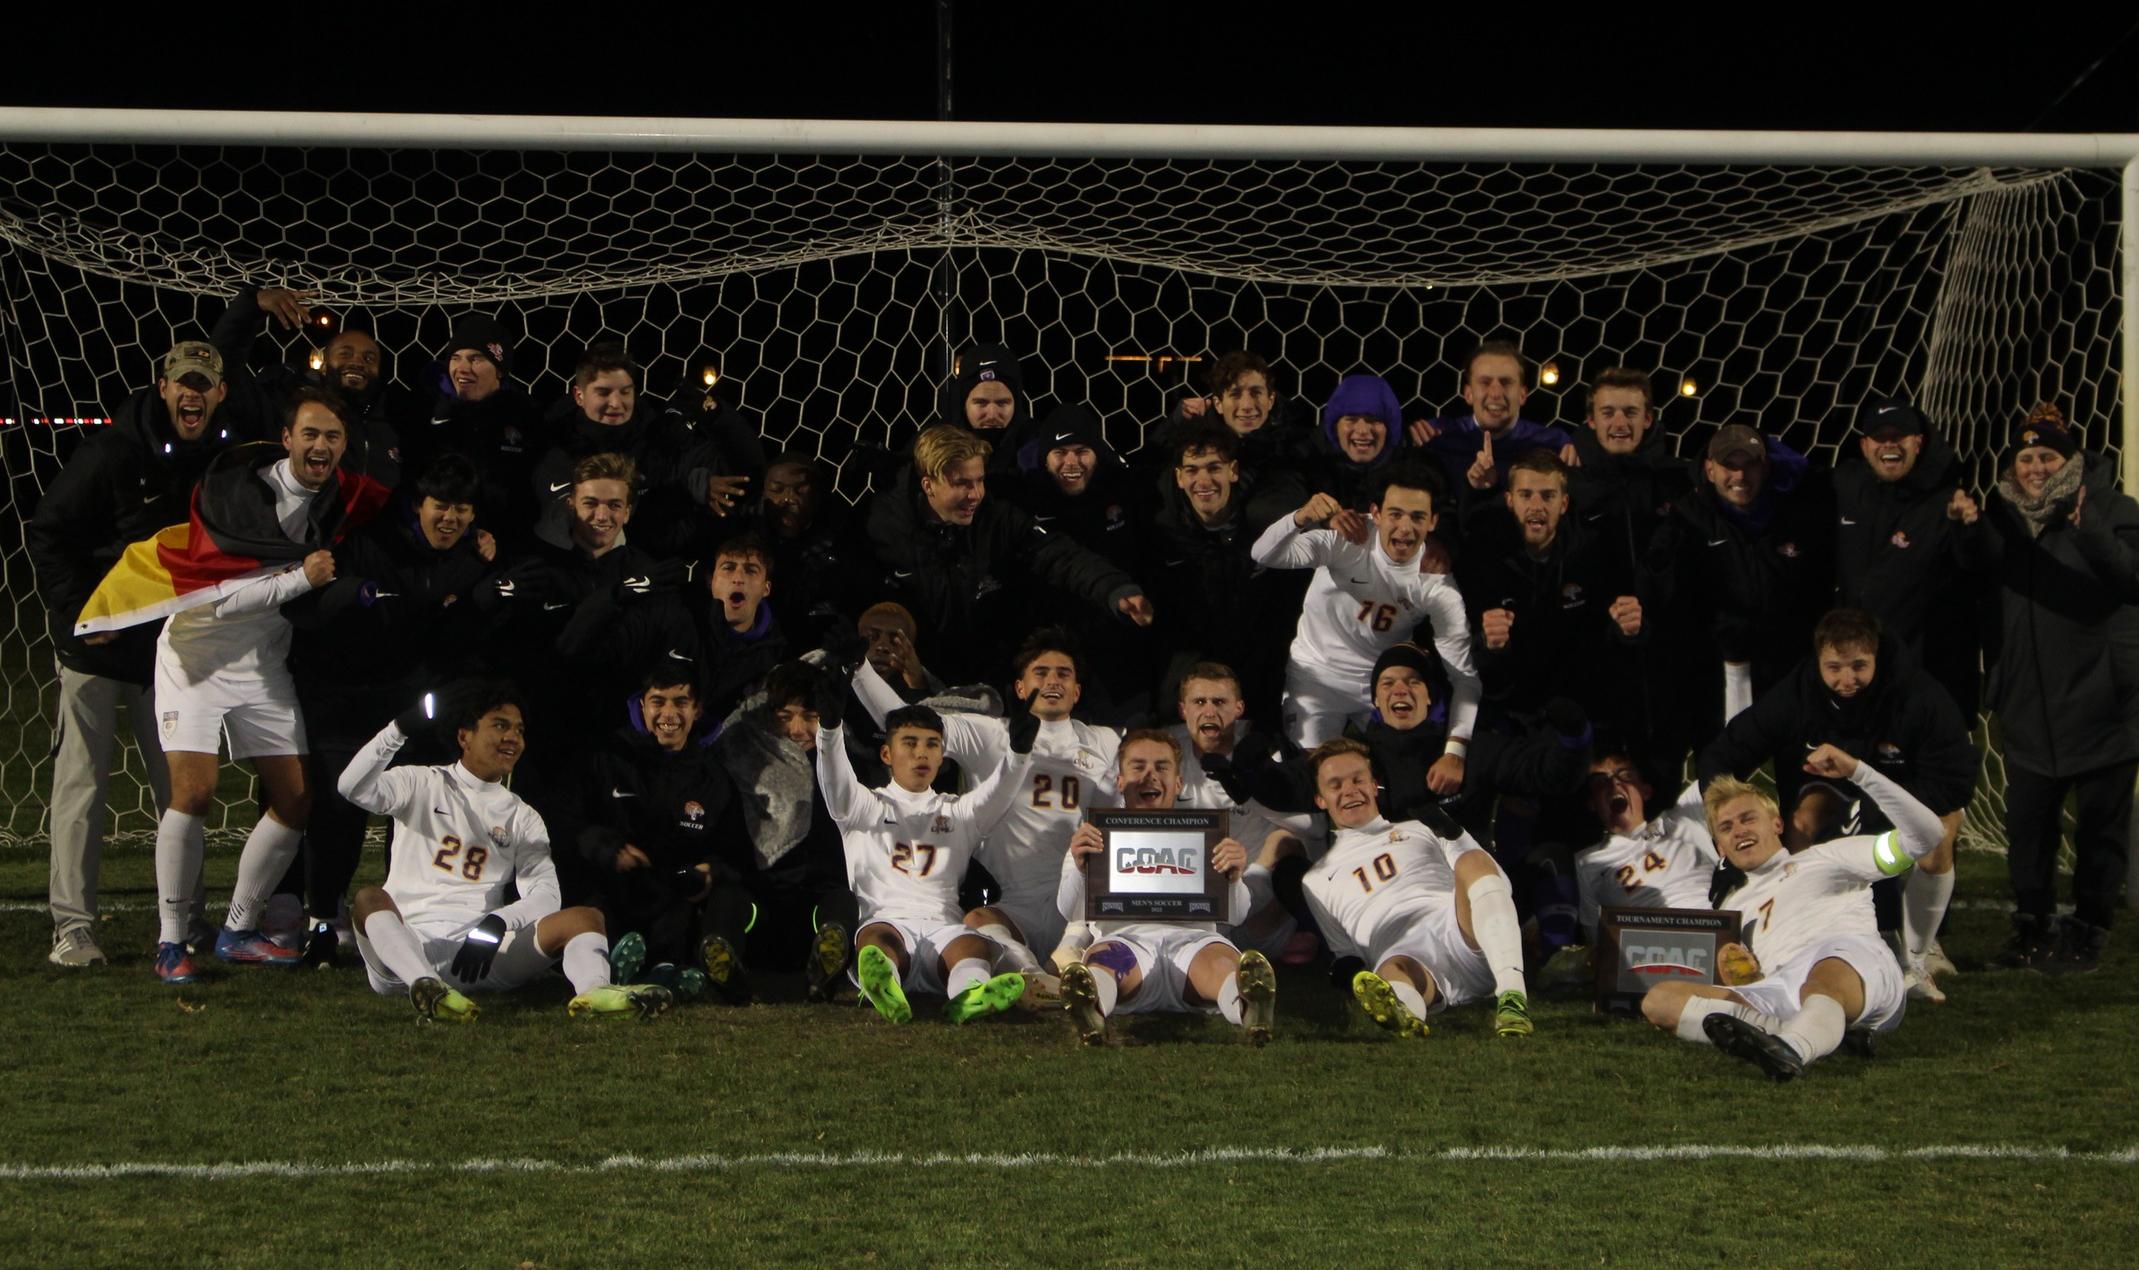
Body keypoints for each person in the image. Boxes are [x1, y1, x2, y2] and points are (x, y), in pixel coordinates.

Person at [141, 390, 387, 982]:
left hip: (263, 664)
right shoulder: (238, 495)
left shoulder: (340, 500)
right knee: (194, 794)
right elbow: (219, 601)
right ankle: (171, 942)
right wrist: (300, 578)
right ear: (286, 439)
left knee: (296, 799)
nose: (320, 446)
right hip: (195, 654)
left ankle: (238, 931)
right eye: (310, 434)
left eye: (332, 436)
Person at [27, 340, 234, 965]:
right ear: (163, 387)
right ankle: (73, 928)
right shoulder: (110, 452)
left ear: (221, 393)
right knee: (82, 791)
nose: (192, 393)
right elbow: (46, 531)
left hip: (165, 655)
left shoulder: (218, 459)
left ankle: (188, 921)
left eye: (205, 383)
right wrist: (82, 616)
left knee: (181, 788)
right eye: (183, 382)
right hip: (93, 652)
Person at [339, 681, 673, 1021]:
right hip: (403, 950)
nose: (513, 737)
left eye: (519, 730)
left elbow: (545, 895)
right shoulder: (420, 782)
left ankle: (594, 991)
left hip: (479, 954)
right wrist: (398, 729)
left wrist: (497, 923)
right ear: (464, 736)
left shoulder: (523, 816)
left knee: (585, 918)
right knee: (368, 899)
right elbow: (351, 787)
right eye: (500, 725)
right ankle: (425, 986)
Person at [281, 452, 500, 967]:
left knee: (418, 813)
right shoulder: (367, 546)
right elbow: (318, 610)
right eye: (441, 506)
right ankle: (324, 920)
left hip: (414, 705)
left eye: (462, 510)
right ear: (417, 506)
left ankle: (404, 918)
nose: (450, 518)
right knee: (340, 811)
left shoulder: (474, 558)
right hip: (347, 702)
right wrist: (348, 599)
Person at [1696, 609, 1976, 1000]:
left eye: (1859, 666)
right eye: (1835, 668)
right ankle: (1804, 937)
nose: (1847, 680)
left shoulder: (1918, 697)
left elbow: (1955, 783)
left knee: (1937, 837)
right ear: (1818, 663)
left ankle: (1919, 955)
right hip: (1836, 792)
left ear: (1876, 657)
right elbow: (1723, 754)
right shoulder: (1797, 694)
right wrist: (1721, 825)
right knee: (1802, 821)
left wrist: (1876, 812)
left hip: (1907, 795)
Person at [1639, 747, 1944, 1081]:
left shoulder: (1829, 858)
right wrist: (1746, 977)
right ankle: (1808, 1032)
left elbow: (1928, 836)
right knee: (1659, 1000)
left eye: (1747, 818)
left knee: (1823, 976)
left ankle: (1791, 1050)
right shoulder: (1730, 909)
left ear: (1777, 823)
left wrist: (1860, 772)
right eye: (1725, 827)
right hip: (1782, 987)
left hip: (1853, 961)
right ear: (1720, 848)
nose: (1738, 830)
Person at [851, 627, 1121, 972]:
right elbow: (904, 723)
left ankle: (1069, 956)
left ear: (1077, 691)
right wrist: (860, 670)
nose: (1053, 681)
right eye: (1041, 672)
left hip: (1081, 899)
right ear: (1021, 688)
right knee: (977, 920)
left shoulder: (1107, 742)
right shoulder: (990, 733)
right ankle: (1034, 978)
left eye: (1063, 674)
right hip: (1015, 903)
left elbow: (1167, 758)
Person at [1979, 405, 2139, 972]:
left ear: (2070, 460)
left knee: (2100, 830)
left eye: (2047, 455)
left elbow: (2131, 579)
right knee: (2027, 828)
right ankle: (2031, 925)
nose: (2035, 467)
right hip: (2027, 705)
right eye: (2025, 457)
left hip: (2102, 702)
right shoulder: (2002, 520)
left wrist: (2085, 522)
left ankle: (2089, 930)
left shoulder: (2114, 509)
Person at [813, 685, 1037, 1025]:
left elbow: (998, 793)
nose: (922, 754)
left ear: (942, 754)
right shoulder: (861, 806)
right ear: (887, 754)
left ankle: (970, 994)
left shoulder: (959, 812)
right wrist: (829, 732)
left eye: (932, 745)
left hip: (943, 927)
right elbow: (835, 779)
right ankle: (885, 985)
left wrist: (1019, 753)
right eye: (910, 743)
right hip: (886, 920)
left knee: (972, 947)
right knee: (878, 943)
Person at [862, 425, 1152, 686]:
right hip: (906, 673)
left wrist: (1114, 588)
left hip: (986, 671)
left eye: (979, 480)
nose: (975, 494)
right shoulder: (884, 527)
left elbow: (1057, 554)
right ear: (929, 485)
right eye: (962, 483)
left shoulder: (995, 516)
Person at [1294, 739, 1536, 1038]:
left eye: (1358, 780)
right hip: (1405, 957)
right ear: (1320, 799)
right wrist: (1351, 975)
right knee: (1392, 968)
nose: (1350, 790)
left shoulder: (1421, 827)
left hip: (1464, 934)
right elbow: (1346, 953)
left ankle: (1513, 997)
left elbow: (1498, 883)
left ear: (1374, 786)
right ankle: (1405, 1012)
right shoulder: (1315, 880)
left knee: (1472, 858)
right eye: (1335, 785)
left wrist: (1455, 834)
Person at [1054, 730, 1277, 1047]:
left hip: (1194, 943)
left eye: (1161, 767)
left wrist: (1235, 878)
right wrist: (1079, 868)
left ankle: (1248, 1009)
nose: (1150, 776)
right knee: (1104, 963)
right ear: (1119, 781)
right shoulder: (1093, 836)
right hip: (1126, 941)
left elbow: (1237, 916)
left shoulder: (1207, 836)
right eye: (1138, 766)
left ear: (1178, 782)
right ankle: (1091, 1008)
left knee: (1223, 965)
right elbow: (1068, 910)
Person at [1250, 459, 1480, 756]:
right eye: (1395, 514)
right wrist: (1301, 517)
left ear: (1433, 522)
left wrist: (1455, 752)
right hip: (1317, 674)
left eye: (1417, 517)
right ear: (1376, 513)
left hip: (1384, 685)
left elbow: (1465, 677)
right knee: (1311, 771)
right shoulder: (1347, 536)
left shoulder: (1437, 584)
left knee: (1402, 773)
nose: (1406, 528)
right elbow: (1264, 553)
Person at [570, 669, 749, 1002]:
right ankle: (614, 968)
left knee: (725, 897)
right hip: (617, 890)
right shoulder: (610, 759)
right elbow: (573, 824)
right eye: (658, 702)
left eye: (681, 702)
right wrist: (607, 848)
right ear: (642, 707)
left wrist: (712, 870)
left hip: (676, 899)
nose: (669, 714)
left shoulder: (714, 778)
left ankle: (689, 972)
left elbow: (736, 852)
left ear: (697, 710)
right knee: (593, 902)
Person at [1660, 422, 1834, 729]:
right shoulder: (1688, 520)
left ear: (1766, 467)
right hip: (1716, 672)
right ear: (1710, 469)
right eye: (1729, 465)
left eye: (1749, 464)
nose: (1740, 476)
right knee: (1723, 762)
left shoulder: (1797, 515)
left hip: (1789, 667)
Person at [1456, 449, 1645, 725]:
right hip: (1504, 714)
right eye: (1526, 495)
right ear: (1509, 500)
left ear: (1564, 503)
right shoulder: (1483, 557)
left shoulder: (1593, 554)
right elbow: (1464, 652)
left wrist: (1628, 631)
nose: (1536, 505)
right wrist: (1490, 645)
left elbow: (1612, 645)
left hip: (1579, 711)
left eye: (1548, 495)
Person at [711, 662, 863, 1001]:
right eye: (784, 716)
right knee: (726, 900)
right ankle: (724, 973)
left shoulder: (849, 762)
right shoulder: (744, 758)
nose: (797, 729)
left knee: (842, 903)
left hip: (815, 909)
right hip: (758, 905)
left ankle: (824, 973)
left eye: (809, 716)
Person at [1144, 420, 1303, 729]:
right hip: (1193, 653)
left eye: (1214, 468)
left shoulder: (1265, 526)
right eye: (1192, 470)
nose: (1203, 480)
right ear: (1178, 477)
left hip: (1260, 655)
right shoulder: (1162, 533)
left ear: (1233, 471)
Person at [1832, 399, 1986, 717]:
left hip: (1929, 682)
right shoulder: (1847, 488)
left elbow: (1978, 562)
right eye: (1879, 437)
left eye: (1899, 436)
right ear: (1864, 445)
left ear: (1918, 442)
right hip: (1860, 675)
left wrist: (1968, 527)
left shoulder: (1948, 503)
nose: (1889, 444)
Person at [209, 284, 416, 485]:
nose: (357, 362)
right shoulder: (287, 406)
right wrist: (251, 305)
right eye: (345, 354)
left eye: (369, 358)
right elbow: (222, 368)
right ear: (323, 366)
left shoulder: (398, 418)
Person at [402, 315, 543, 549]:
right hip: (439, 544)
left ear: (499, 370)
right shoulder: (428, 414)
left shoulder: (528, 420)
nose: (462, 368)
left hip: (508, 549)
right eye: (456, 358)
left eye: (475, 358)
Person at [1572, 754, 1716, 942]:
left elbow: (1725, 758)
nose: (1614, 784)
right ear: (1592, 803)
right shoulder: (1588, 862)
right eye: (1600, 782)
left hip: (1714, 933)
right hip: (1650, 955)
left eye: (1626, 775)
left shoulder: (1682, 818)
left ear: (1646, 790)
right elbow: (1596, 940)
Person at [1411, 340, 1575, 498]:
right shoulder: (1435, 435)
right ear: (1468, 394)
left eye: (1506, 382)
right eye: (1485, 382)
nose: (1496, 393)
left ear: (1522, 394)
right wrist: (1408, 436)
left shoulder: (1555, 445)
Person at [1307, 372, 1408, 511]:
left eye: (1373, 420)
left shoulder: (1412, 473)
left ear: (1390, 428)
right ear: (1335, 427)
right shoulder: (1306, 468)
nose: (1362, 430)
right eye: (1351, 419)